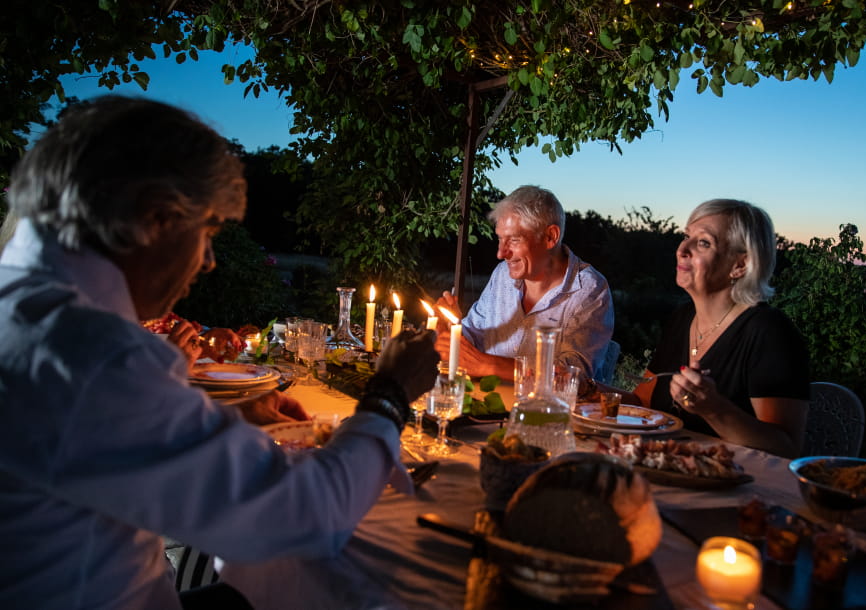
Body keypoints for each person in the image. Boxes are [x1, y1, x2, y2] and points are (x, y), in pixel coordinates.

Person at [0, 96, 439, 609]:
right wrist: (388, 395)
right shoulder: (88, 350)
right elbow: (303, 517)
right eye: (208, 230)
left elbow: (103, 440)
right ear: (156, 216)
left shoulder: (25, 306)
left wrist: (215, 417)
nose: (208, 260)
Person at [629, 199, 809, 458]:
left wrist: (714, 409)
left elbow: (787, 447)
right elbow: (643, 403)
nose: (682, 249)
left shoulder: (769, 332)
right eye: (686, 236)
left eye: (703, 242)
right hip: (673, 470)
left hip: (742, 485)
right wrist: (589, 388)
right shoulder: (682, 319)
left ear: (740, 265)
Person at [436, 185, 614, 384]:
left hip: (546, 414)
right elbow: (473, 336)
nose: (501, 253)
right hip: (486, 407)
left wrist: (489, 365)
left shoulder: (589, 291)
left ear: (550, 237)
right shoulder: (502, 274)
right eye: (500, 239)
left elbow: (574, 377)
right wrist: (449, 330)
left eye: (514, 239)